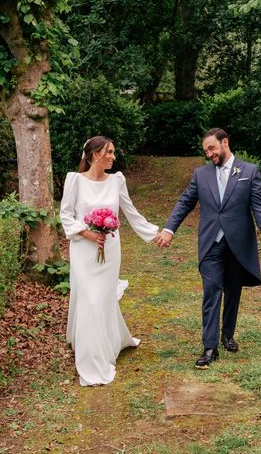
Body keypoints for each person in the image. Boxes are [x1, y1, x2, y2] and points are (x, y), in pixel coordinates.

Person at [157, 128, 261, 369]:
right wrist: (169, 229)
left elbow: (258, 206)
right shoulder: (200, 174)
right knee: (211, 291)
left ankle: (227, 334)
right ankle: (210, 347)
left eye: (212, 148)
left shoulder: (249, 171)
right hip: (211, 243)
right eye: (206, 151)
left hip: (238, 243)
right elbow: (185, 202)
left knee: (233, 290)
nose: (209, 154)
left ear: (224, 142)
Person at [59, 136, 158, 386]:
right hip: (84, 249)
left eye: (114, 152)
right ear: (93, 155)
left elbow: (130, 211)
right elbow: (66, 215)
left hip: (110, 249)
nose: (113, 157)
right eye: (109, 152)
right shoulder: (75, 181)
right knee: (90, 299)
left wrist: (154, 233)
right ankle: (92, 359)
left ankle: (108, 343)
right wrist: (88, 233)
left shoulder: (117, 181)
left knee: (102, 298)